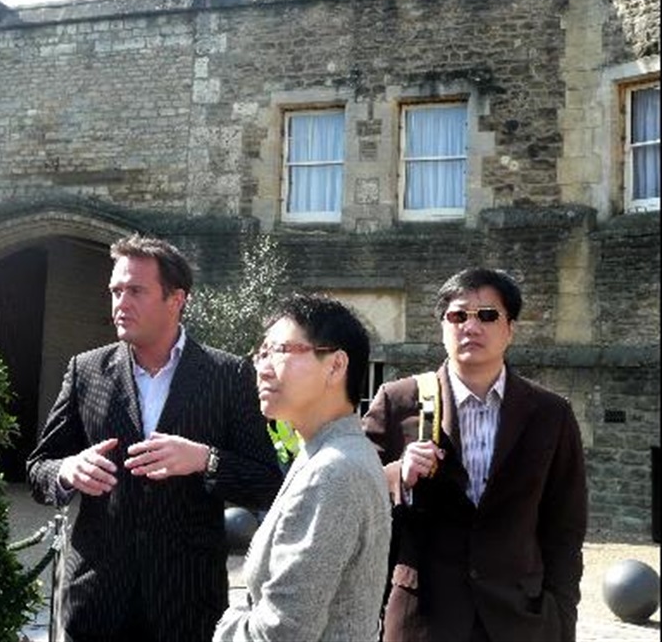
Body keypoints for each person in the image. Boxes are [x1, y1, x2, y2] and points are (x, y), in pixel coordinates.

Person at [26, 233, 284, 642]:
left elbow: (267, 483)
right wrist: (67, 471)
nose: (120, 303)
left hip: (186, 603)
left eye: (136, 291)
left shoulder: (227, 375)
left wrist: (205, 460)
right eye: (115, 291)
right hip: (96, 603)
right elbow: (39, 469)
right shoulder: (86, 370)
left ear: (176, 299)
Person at [362, 268, 587, 642]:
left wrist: (562, 620)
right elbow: (357, 496)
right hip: (424, 618)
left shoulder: (551, 413)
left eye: (487, 315)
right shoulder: (399, 400)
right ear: (442, 327)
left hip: (520, 619)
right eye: (458, 315)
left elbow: (565, 529)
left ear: (510, 328)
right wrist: (399, 475)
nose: (471, 326)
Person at [214, 294, 392, 642]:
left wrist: (226, 623)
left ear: (336, 366)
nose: (262, 368)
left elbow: (281, 632)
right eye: (261, 353)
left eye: (279, 351)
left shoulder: (334, 471)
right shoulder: (323, 450)